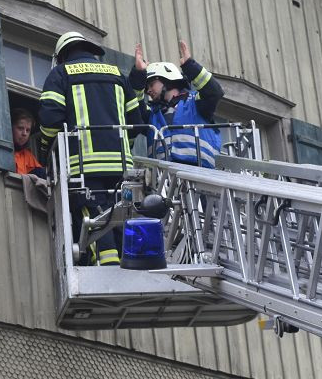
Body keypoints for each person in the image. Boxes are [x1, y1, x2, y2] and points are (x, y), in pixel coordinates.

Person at [39, 31, 142, 266]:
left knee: (95, 217)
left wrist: (46, 153)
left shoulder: (60, 74)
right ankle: (130, 262)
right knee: (121, 214)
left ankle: (107, 265)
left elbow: (50, 121)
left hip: (84, 165)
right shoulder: (117, 74)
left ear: (62, 55)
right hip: (121, 167)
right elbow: (135, 122)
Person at [131, 40, 223, 168]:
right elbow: (135, 105)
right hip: (163, 180)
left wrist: (190, 66)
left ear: (167, 79)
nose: (149, 91)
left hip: (200, 176)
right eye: (146, 88)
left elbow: (215, 92)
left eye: (151, 84)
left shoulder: (195, 103)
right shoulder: (152, 113)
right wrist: (138, 74)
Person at [11, 108, 46, 178]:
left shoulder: (28, 156)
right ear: (10, 127)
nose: (24, 133)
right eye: (20, 128)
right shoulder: (3, 151)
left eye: (28, 130)